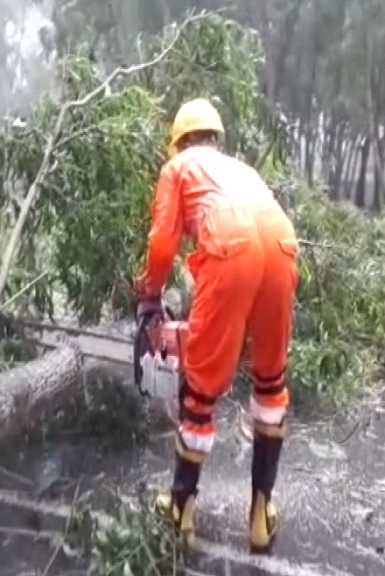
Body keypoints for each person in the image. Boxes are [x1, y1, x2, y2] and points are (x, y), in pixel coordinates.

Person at [133, 98, 299, 552]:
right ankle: (261, 513)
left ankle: (181, 507)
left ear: (180, 142)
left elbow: (164, 241)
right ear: (214, 136)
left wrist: (149, 293)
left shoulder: (179, 168)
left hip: (232, 248)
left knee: (200, 393)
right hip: (282, 244)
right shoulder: (240, 169)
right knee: (270, 382)